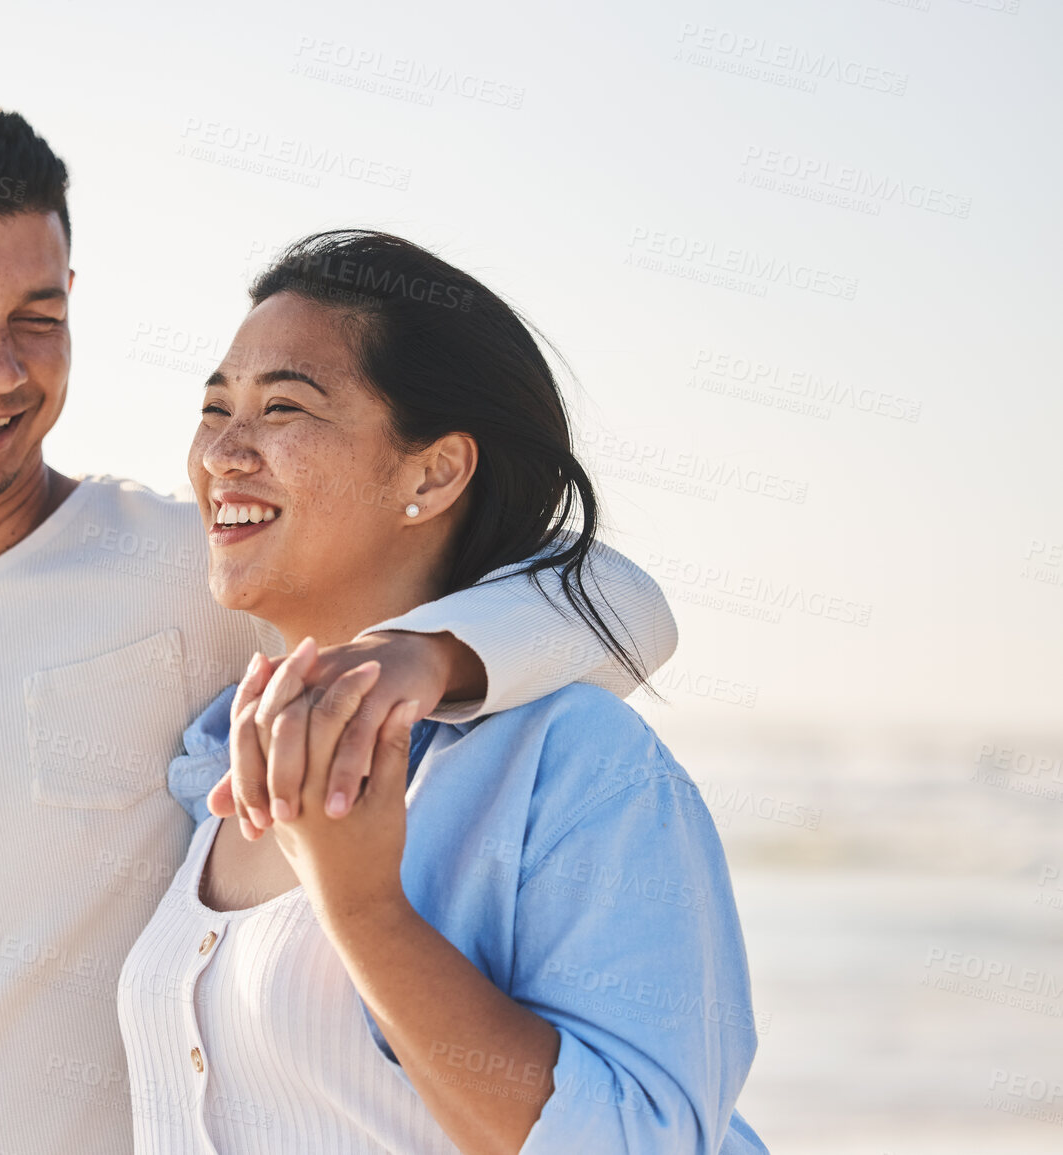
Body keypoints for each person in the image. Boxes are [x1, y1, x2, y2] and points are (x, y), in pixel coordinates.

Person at [0, 100, 678, 1154]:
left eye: (39, 318)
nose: (0, 368)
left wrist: (423, 652)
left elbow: (623, 609)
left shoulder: (201, 576)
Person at [118, 230, 766, 1154]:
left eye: (283, 408)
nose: (222, 450)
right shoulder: (217, 761)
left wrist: (366, 911)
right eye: (215, 406)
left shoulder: (575, 761)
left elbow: (643, 1141)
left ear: (433, 472)